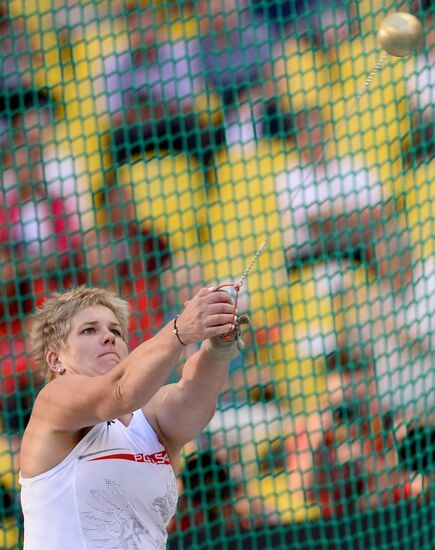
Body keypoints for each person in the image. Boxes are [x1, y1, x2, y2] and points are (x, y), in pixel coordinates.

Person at [19, 285, 249, 549]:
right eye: (89, 330)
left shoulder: (148, 418)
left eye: (115, 330)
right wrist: (179, 330)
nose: (109, 337)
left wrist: (218, 347)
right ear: (55, 359)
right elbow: (119, 391)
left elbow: (192, 400)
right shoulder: (53, 401)